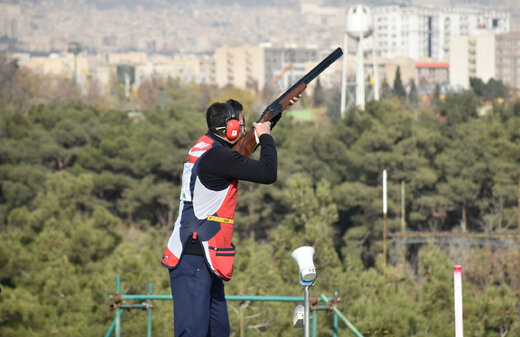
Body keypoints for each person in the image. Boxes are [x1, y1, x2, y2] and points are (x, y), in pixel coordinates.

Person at [161, 96, 299, 337]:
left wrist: (276, 113)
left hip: (204, 254)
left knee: (219, 331)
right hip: (195, 254)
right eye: (241, 124)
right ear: (231, 128)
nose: (244, 128)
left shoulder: (210, 147)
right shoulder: (218, 157)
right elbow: (268, 173)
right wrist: (266, 136)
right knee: (192, 333)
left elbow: (243, 148)